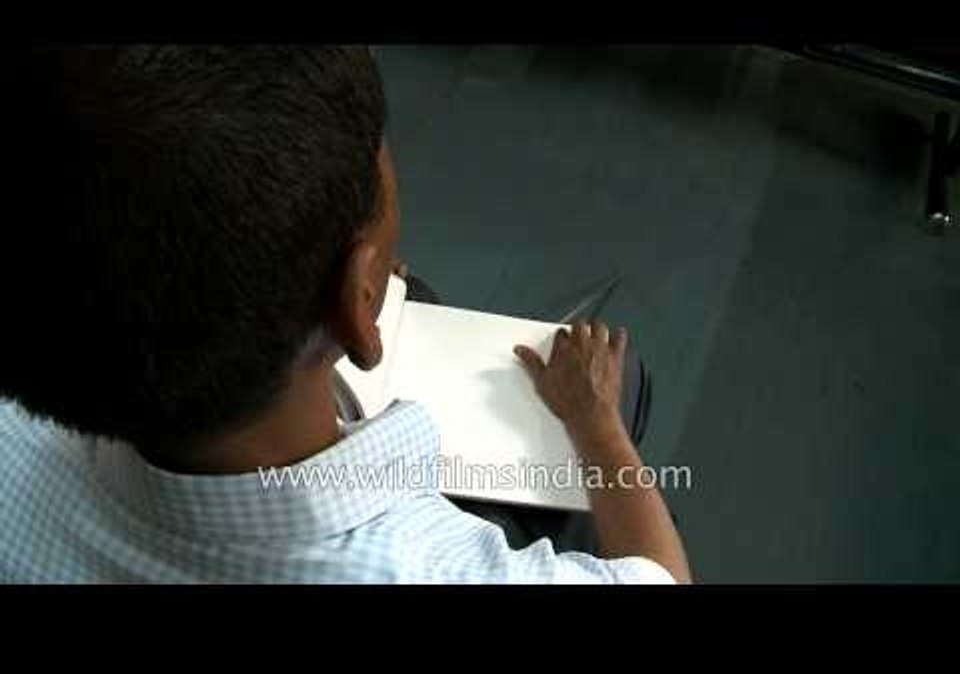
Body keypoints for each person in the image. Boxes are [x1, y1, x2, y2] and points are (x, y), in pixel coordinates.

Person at [0, 46, 691, 584]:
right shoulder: (424, 568)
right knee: (622, 392)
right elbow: (658, 576)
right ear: (360, 306)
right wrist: (596, 424)